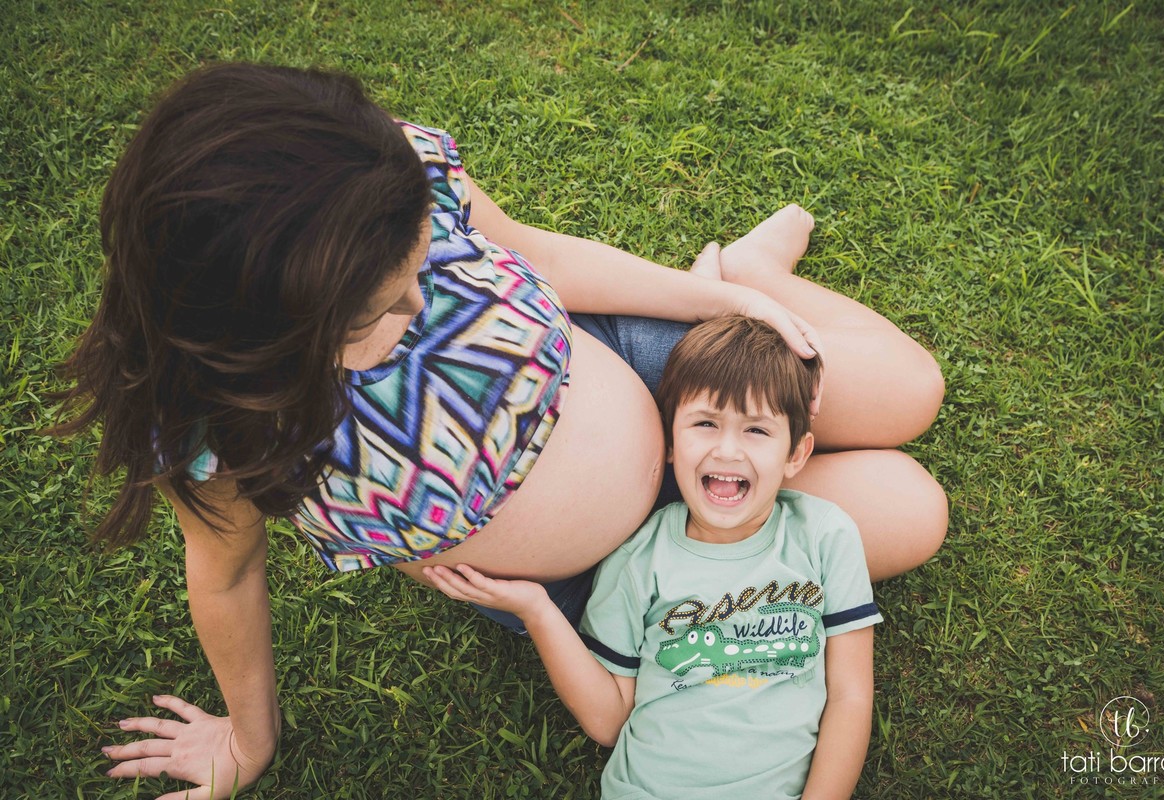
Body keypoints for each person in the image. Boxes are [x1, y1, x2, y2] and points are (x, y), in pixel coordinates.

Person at [54, 63, 945, 798]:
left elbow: (540, 257)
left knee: (913, 391)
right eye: (380, 311)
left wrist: (722, 300)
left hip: (636, 367)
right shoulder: (226, 426)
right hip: (602, 579)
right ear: (264, 332)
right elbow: (227, 569)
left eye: (421, 272)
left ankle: (754, 267)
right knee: (913, 510)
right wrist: (250, 738)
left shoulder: (378, 179)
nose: (418, 300)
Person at [426, 315, 879, 799]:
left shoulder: (824, 535)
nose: (728, 449)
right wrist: (538, 611)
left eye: (756, 431)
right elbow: (608, 719)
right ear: (668, 442)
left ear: (796, 453)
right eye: (705, 424)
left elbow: (851, 696)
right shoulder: (638, 556)